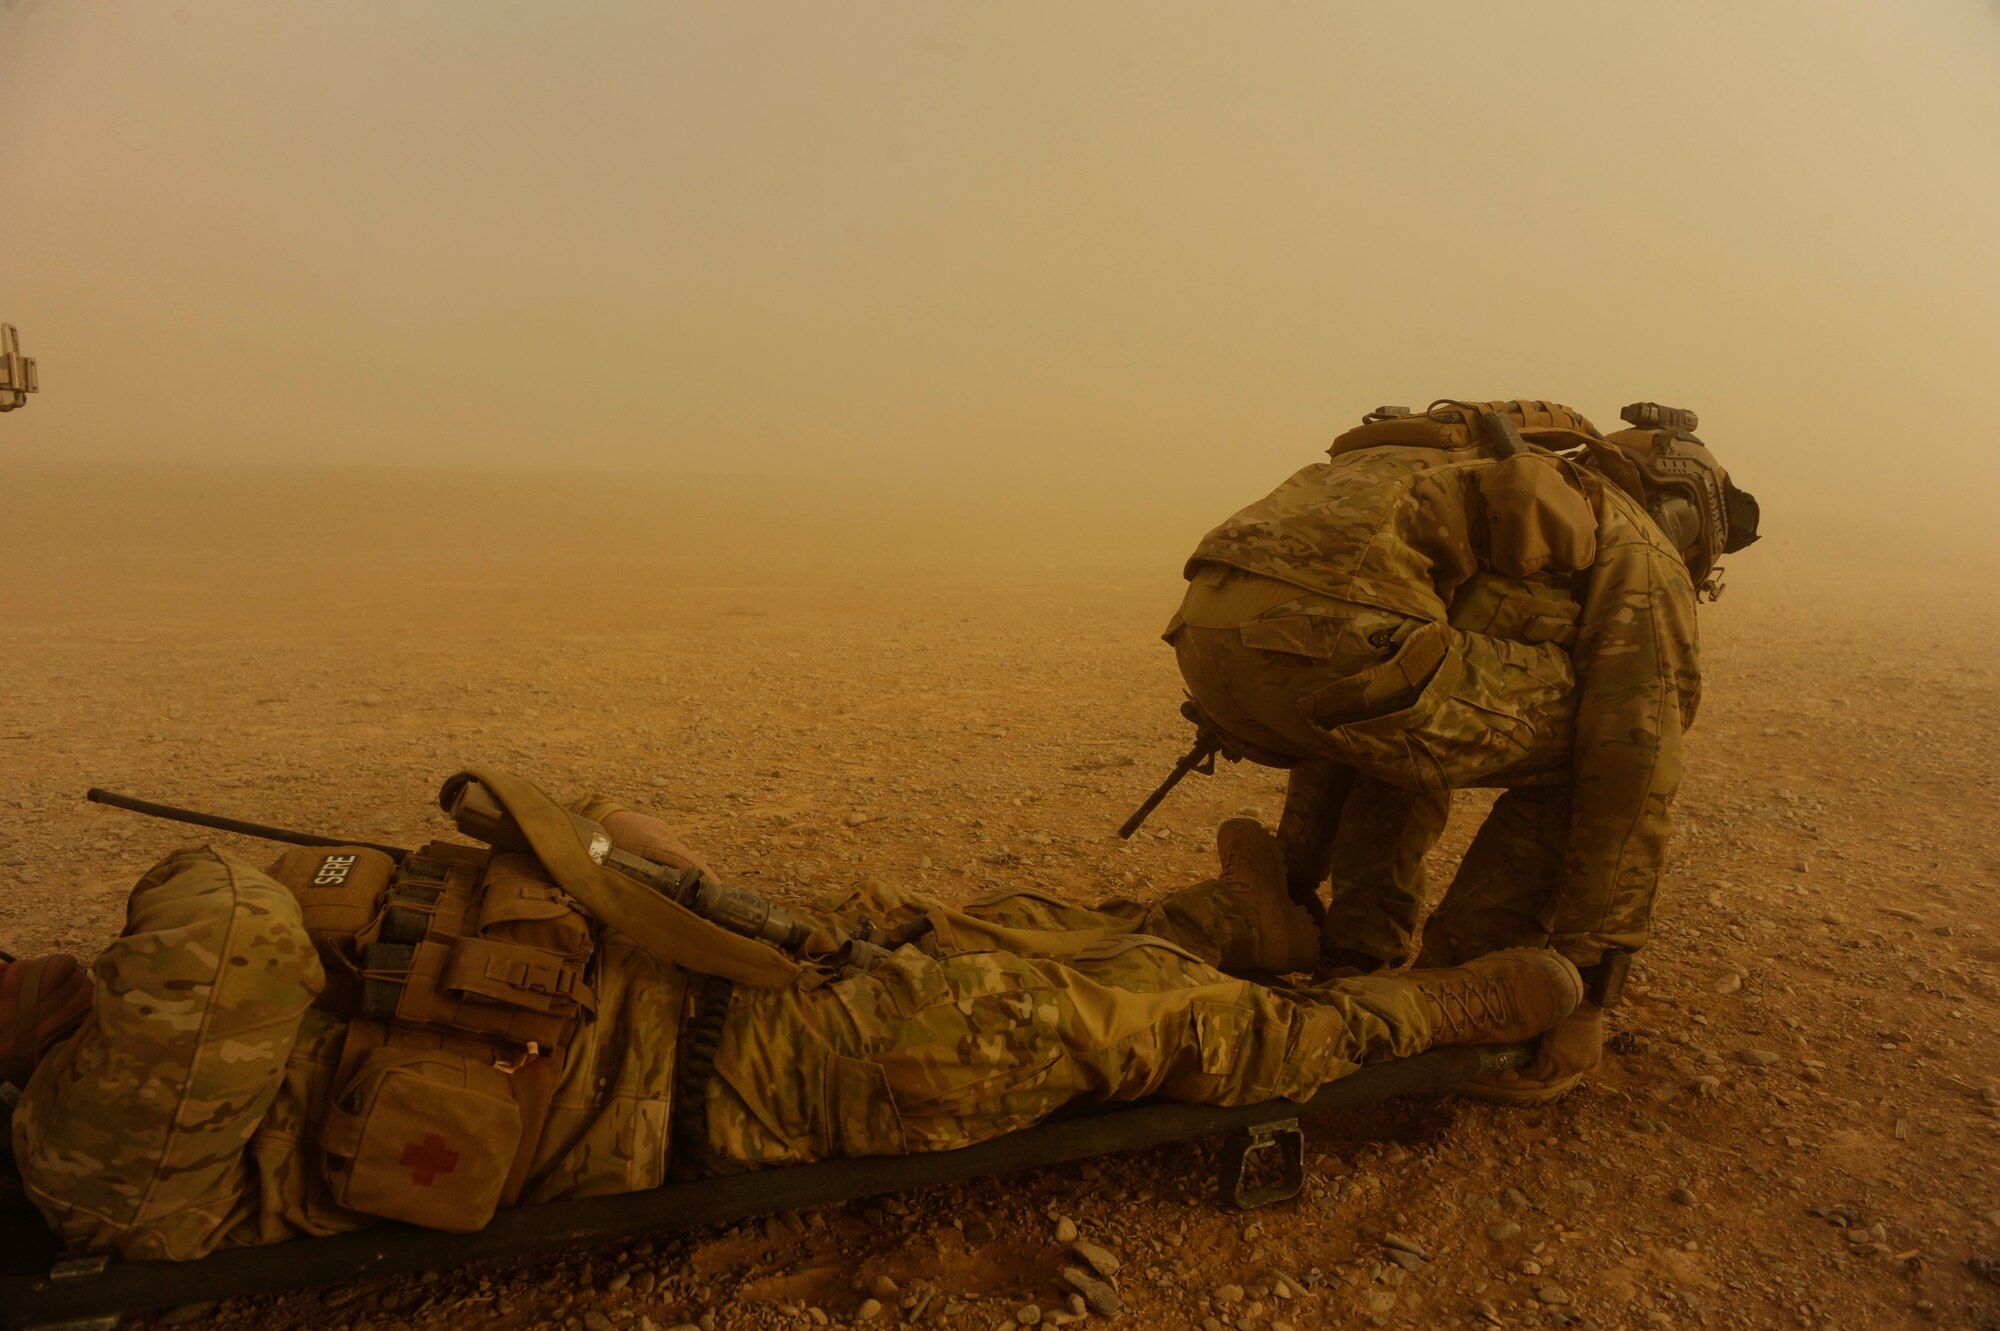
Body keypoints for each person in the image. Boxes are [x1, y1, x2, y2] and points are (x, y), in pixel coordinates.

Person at [1, 771, 1581, 1262]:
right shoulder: (89, 1160)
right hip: (718, 1087)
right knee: (1050, 1022)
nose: (21, 966)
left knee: (948, 926)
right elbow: (228, 921)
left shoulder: (117, 1063)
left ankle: (1220, 923)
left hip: (668, 988)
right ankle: (1428, 1011)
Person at [1164, 399, 1759, 1102]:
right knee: (1598, 733)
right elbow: (1632, 765)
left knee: (1427, 685)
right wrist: (1592, 989)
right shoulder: (1636, 538)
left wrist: (1300, 866)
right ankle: (1470, 976)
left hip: (1206, 638)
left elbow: (1378, 700)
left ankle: (1330, 933)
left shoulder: (1483, 469)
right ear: (1684, 512)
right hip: (1336, 644)